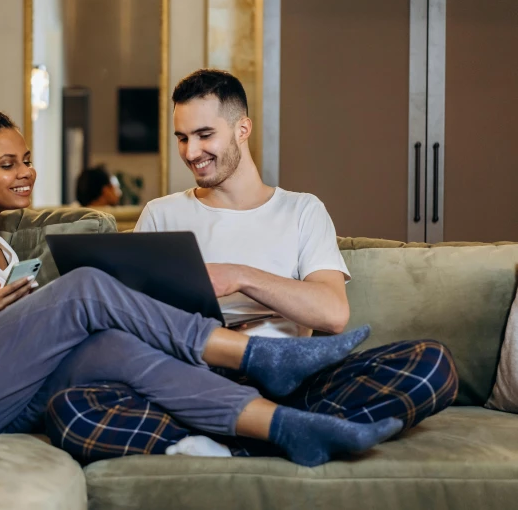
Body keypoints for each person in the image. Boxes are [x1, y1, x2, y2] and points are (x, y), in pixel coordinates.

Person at [0, 105, 405, 469]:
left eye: (27, 160)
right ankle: (256, 356)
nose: (26, 173)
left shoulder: (7, 252)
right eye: (8, 164)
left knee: (109, 347)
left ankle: (288, 428)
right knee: (87, 286)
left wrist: (17, 322)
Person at [45, 70, 459, 462]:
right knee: (70, 409)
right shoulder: (161, 214)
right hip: (191, 386)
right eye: (182, 138)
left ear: (242, 129)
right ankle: (285, 435)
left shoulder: (302, 210)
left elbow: (333, 314)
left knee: (432, 364)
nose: (191, 152)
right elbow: (131, 326)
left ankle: (229, 442)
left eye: (205, 135)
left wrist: (240, 276)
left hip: (291, 385)